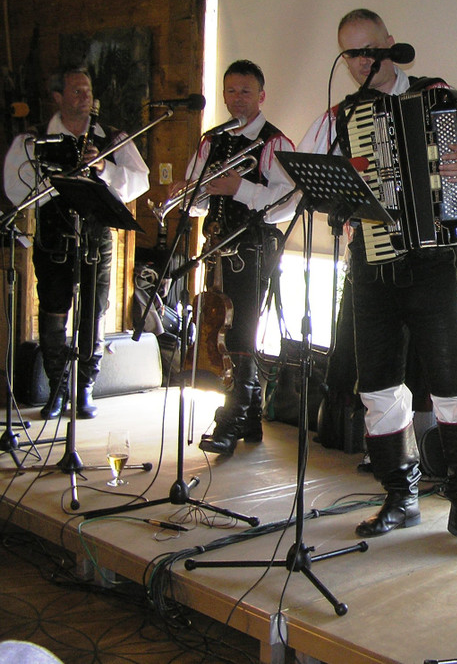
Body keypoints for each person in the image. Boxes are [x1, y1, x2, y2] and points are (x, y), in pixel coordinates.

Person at [298, 8, 457, 553]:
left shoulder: (438, 96)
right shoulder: (340, 116)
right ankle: (401, 495)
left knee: (449, 383)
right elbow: (307, 173)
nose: (361, 62)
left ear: (391, 45)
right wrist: (338, 192)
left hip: (433, 262)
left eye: (369, 50)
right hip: (370, 264)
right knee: (377, 383)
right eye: (350, 54)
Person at [3, 66, 149, 419]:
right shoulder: (33, 139)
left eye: (88, 91)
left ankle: (84, 387)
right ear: (58, 97)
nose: (86, 98)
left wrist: (102, 169)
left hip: (96, 239)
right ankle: (57, 387)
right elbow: (14, 186)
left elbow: (140, 180)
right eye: (77, 91)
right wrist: (57, 180)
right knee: (53, 310)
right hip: (54, 236)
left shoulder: (111, 137)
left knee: (93, 312)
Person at [175, 59, 297, 455]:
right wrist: (187, 192)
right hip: (217, 249)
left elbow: (287, 202)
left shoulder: (275, 142)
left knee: (240, 333)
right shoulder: (211, 140)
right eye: (230, 91)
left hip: (253, 250)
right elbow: (199, 202)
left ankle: (231, 419)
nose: (237, 98)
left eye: (245, 91)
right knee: (220, 330)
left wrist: (239, 188)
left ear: (261, 96)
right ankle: (250, 417)